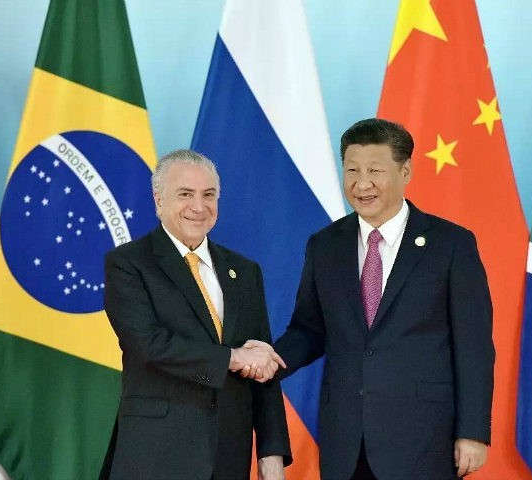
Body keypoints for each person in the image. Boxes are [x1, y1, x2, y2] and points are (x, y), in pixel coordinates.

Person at [270, 118, 494, 479]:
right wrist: (270, 361)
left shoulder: (451, 244)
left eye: (375, 170)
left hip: (424, 439)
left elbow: (474, 347)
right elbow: (309, 330)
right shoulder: (325, 245)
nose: (362, 184)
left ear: (405, 171)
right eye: (352, 170)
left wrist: (472, 431)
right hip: (346, 439)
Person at [101, 149, 291, 480]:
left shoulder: (244, 272)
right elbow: (149, 345)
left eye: (209, 195)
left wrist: (271, 454)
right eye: (185, 194)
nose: (199, 207)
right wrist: (233, 357)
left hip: (228, 457)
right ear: (159, 200)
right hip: (155, 456)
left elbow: (263, 363)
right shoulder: (129, 264)